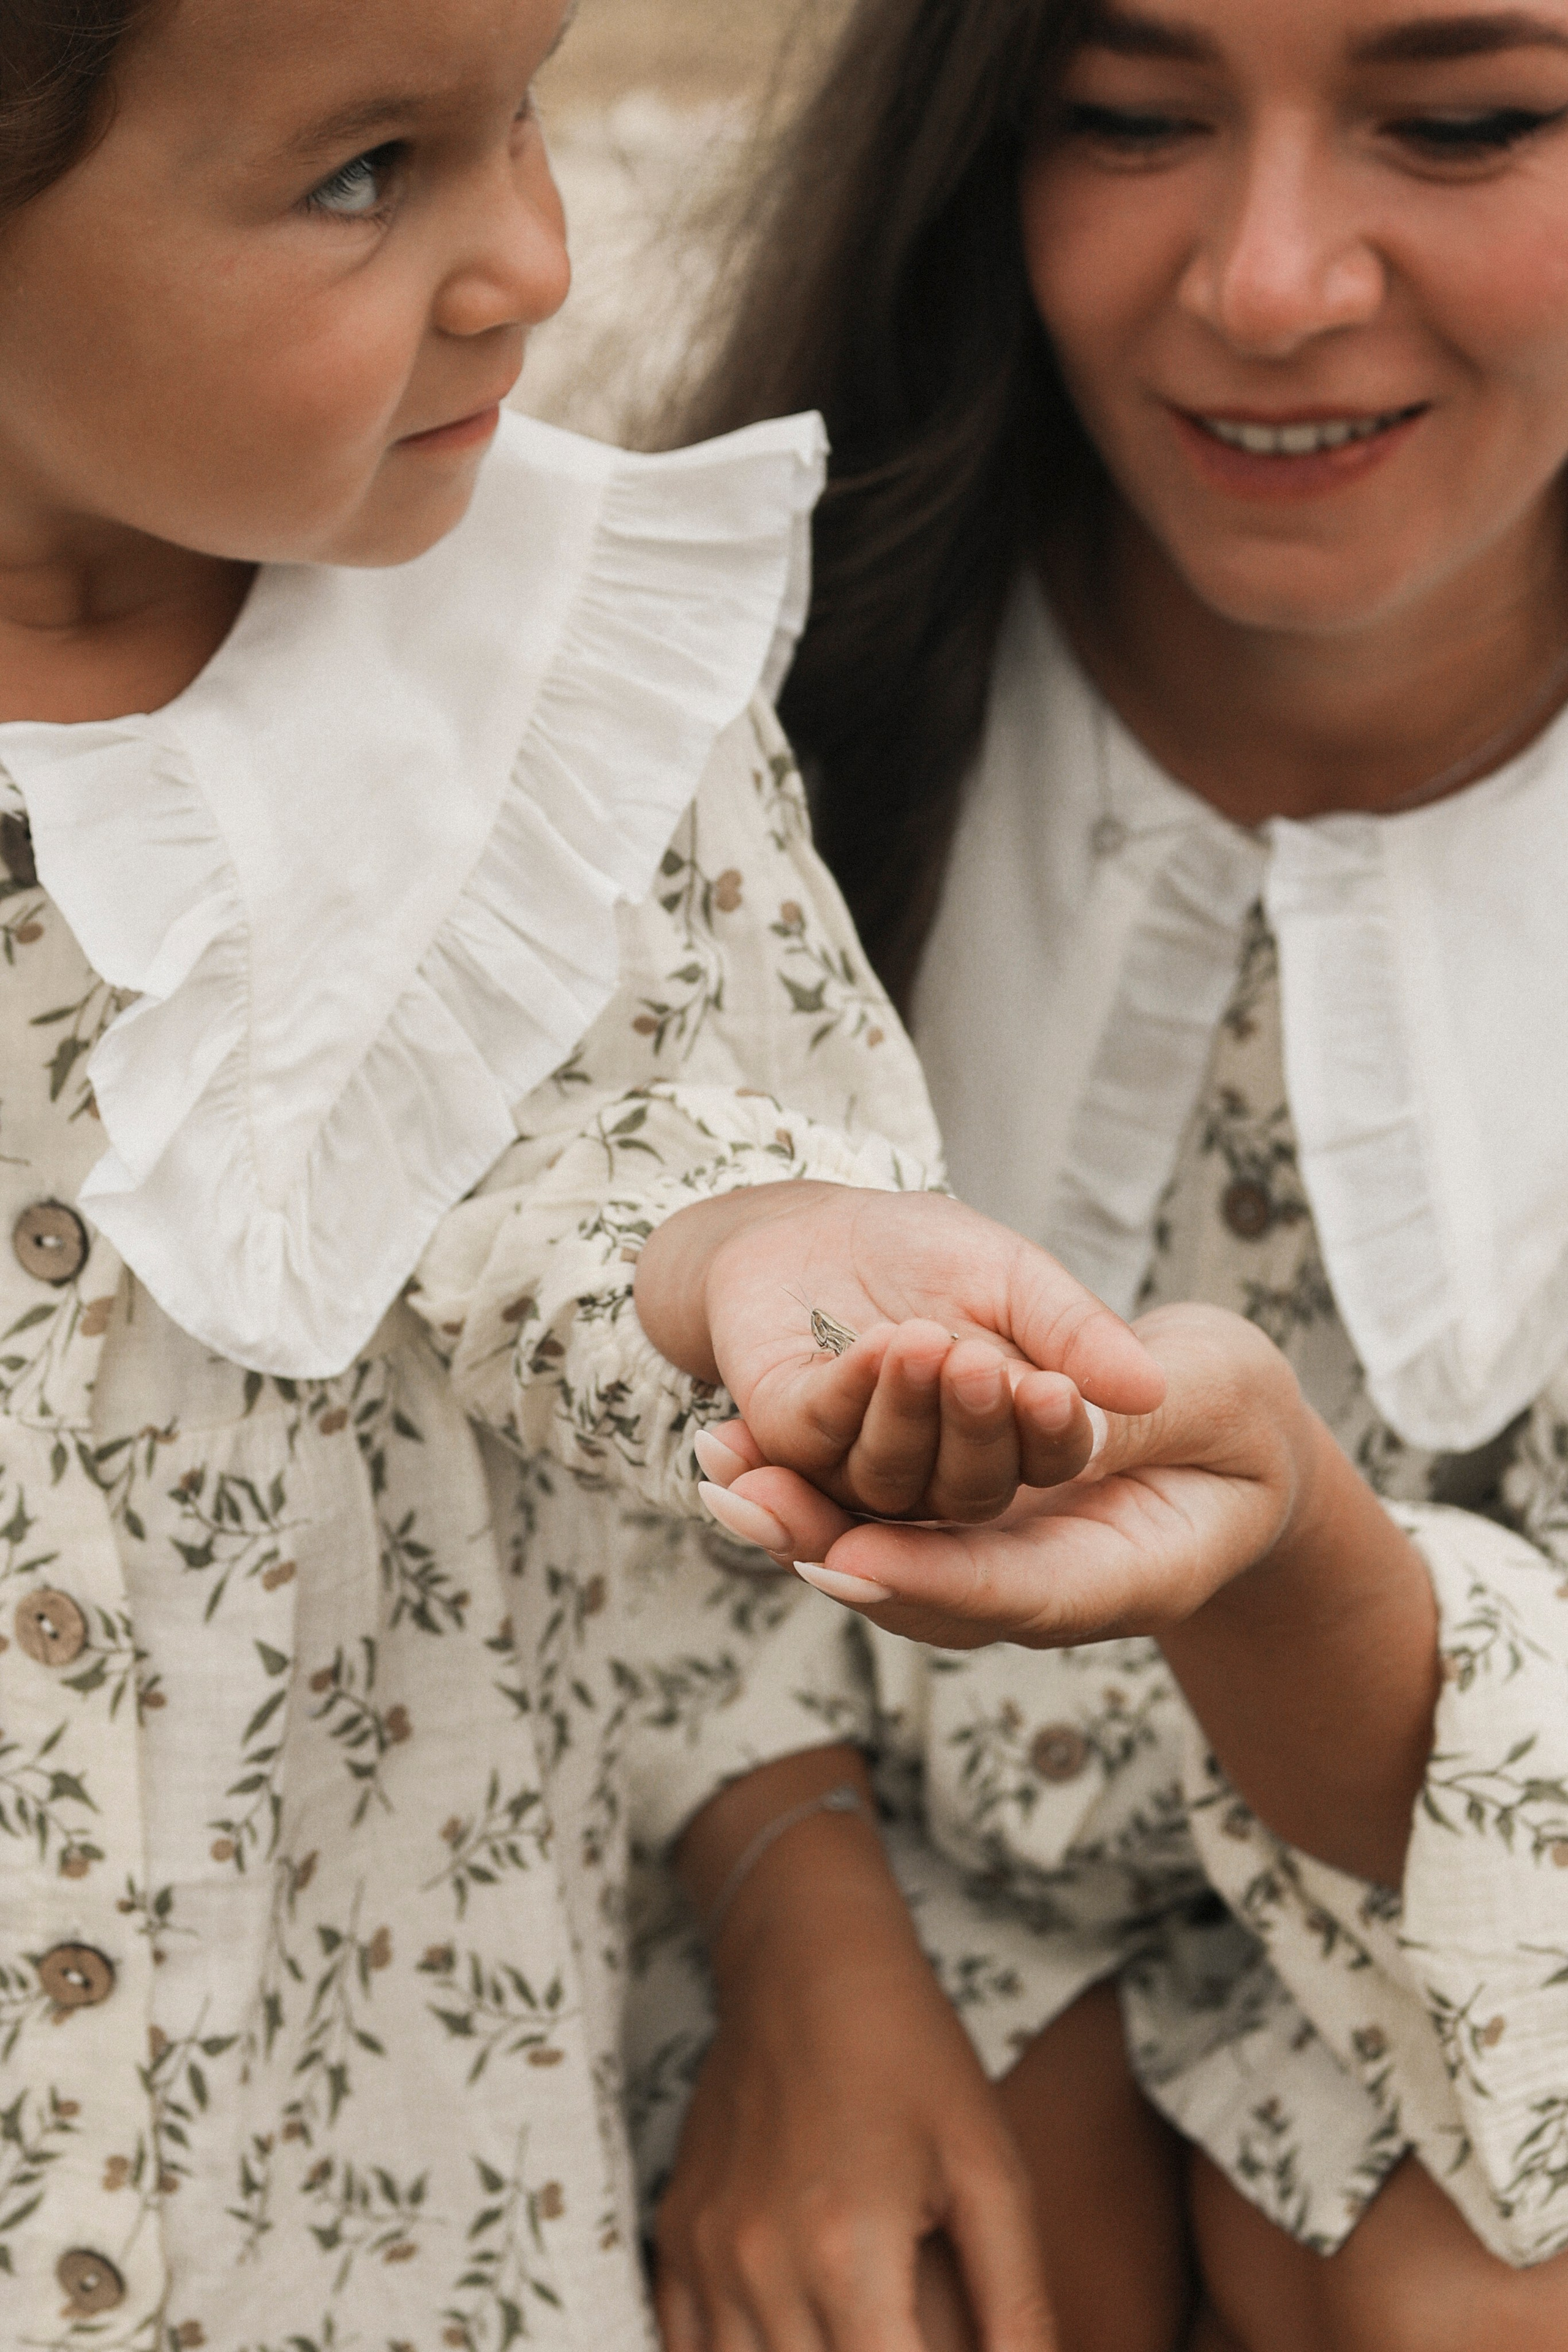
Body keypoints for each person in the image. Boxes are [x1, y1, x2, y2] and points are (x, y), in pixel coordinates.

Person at [0, 1, 1175, 2340]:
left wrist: (773, 1257)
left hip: (366, 2198)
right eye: (367, 174)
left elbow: (586, 1174)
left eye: (523, 110)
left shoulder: (536, 677)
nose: (530, 254)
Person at [647, 1, 1568, 2346]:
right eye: (1131, 122)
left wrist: (1300, 1573)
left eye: (1466, 124)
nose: (1267, 285)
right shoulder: (712, 690)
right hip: (816, 1835)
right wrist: (793, 1909)